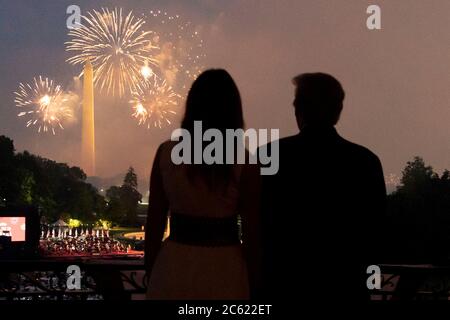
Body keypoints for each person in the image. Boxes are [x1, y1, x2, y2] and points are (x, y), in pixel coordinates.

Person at [259, 73, 387, 300]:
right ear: (338, 111)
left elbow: (259, 225)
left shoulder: (269, 156)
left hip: (283, 284)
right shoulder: (365, 161)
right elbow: (375, 231)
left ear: (298, 110)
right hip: (345, 286)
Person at [145, 69, 261, 299]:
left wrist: (152, 269)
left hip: (174, 265)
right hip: (225, 267)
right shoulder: (245, 161)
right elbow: (253, 233)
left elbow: (155, 222)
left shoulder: (166, 153)